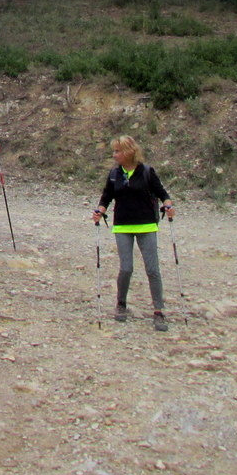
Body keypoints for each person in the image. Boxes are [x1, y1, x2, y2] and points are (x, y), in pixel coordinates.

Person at [93, 135, 175, 332]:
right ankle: (121, 304)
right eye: (114, 151)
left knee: (152, 269)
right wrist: (99, 211)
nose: (114, 155)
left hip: (146, 225)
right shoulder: (114, 174)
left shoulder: (146, 172)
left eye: (118, 151)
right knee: (126, 268)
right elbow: (106, 197)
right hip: (122, 226)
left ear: (129, 152)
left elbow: (163, 193)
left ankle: (158, 311)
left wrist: (169, 206)